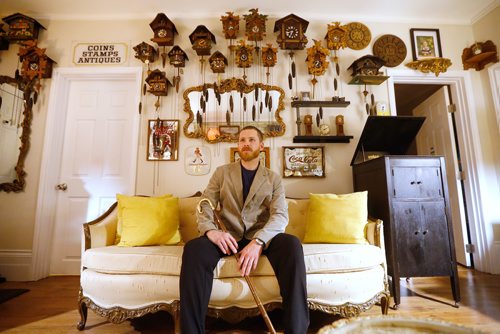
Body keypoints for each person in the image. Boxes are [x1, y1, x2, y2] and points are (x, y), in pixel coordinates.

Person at [180, 125, 309, 333]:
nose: (246, 143)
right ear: (238, 145)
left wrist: (258, 242)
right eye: (242, 140)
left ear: (261, 145)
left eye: (251, 140)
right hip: (227, 237)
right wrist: (211, 232)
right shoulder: (222, 173)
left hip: (261, 237)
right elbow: (204, 204)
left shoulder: (273, 178)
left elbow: (280, 215)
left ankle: (297, 330)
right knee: (194, 249)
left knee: (292, 245)